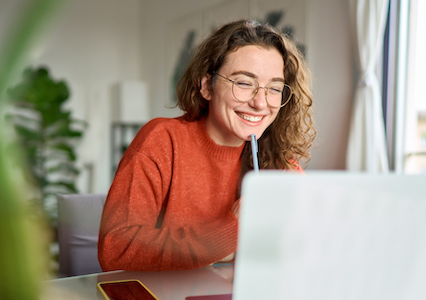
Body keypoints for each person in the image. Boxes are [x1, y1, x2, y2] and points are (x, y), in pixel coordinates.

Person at [98, 19, 315, 271]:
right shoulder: (162, 140)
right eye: (244, 83)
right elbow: (115, 249)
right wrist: (231, 230)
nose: (260, 102)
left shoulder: (278, 159)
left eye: (274, 88)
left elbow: (303, 247)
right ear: (206, 86)